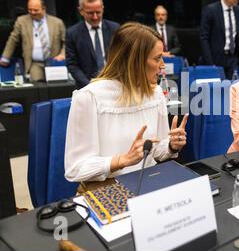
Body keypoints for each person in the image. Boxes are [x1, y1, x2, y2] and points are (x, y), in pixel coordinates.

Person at [65, 23, 189, 182]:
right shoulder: (89, 97)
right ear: (135, 61)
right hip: (106, 189)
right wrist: (121, 160)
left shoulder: (156, 92)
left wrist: (171, 145)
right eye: (158, 58)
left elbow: (156, 150)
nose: (163, 65)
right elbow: (75, 169)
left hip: (147, 183)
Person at [0, 0, 66, 81]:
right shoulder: (21, 21)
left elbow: (66, 41)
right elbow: (13, 40)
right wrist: (5, 57)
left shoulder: (57, 22)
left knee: (57, 86)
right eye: (30, 10)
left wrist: (63, 54)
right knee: (37, 86)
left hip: (54, 62)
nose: (32, 12)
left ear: (43, 9)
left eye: (36, 10)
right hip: (35, 64)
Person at [66, 0, 120, 89]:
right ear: (81, 11)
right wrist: (89, 85)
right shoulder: (72, 33)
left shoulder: (115, 29)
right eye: (90, 13)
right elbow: (72, 65)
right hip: (87, 87)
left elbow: (122, 57)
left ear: (103, 9)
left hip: (114, 83)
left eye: (98, 12)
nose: (95, 17)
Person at [200, 0, 239, 79]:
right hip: (215, 59)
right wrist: (210, 63)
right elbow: (204, 38)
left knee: (232, 89)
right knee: (216, 91)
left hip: (233, 59)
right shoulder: (210, 10)